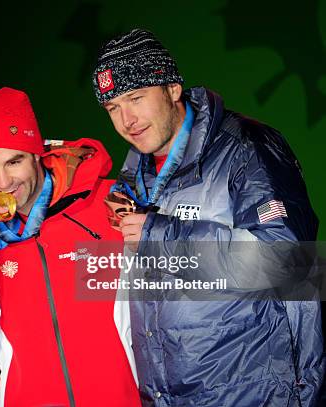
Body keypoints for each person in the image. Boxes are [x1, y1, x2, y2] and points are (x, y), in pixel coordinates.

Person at [92, 29, 324, 406]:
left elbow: (289, 263)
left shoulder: (246, 148)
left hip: (255, 394)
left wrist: (160, 236)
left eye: (135, 98)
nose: (126, 120)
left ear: (171, 89)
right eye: (112, 107)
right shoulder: (135, 177)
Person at [0, 87, 140, 406]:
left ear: (37, 153)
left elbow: (208, 290)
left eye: (14, 162)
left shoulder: (109, 204)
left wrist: (158, 244)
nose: (2, 182)